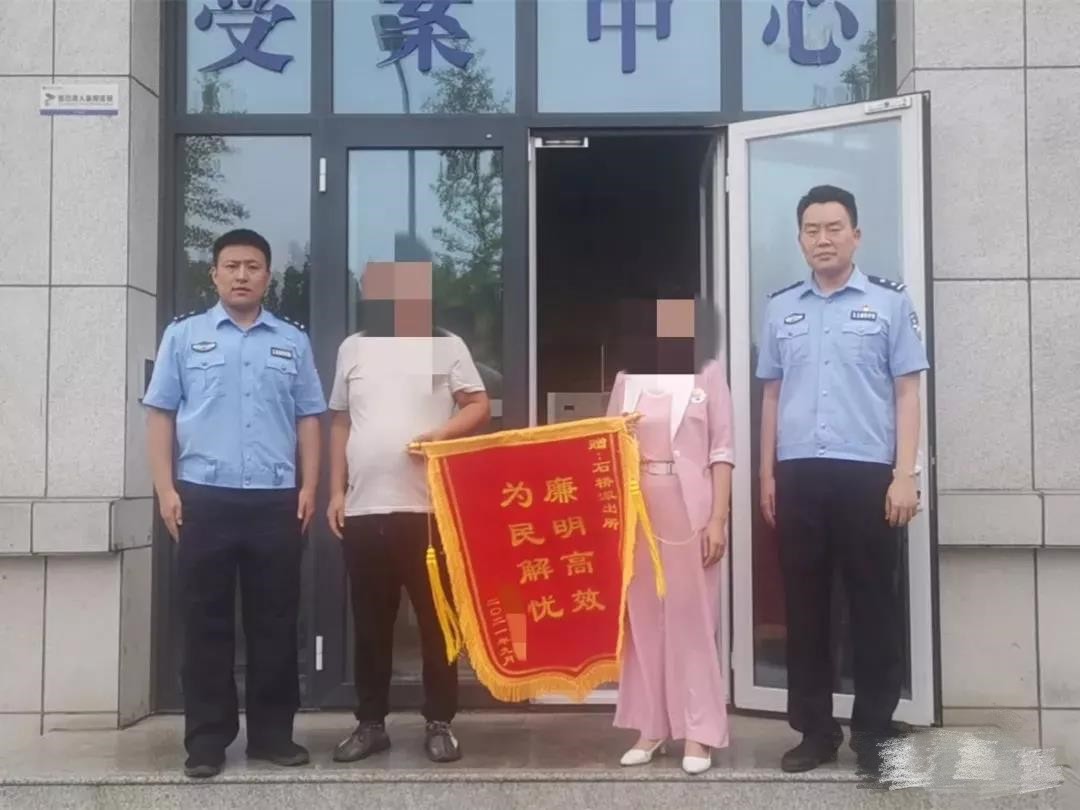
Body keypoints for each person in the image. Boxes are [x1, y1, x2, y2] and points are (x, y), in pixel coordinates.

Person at [756, 185, 929, 775]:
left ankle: (874, 732)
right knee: (805, 607)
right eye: (812, 230)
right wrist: (767, 472)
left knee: (873, 605)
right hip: (799, 474)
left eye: (834, 228)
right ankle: (815, 731)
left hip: (868, 475)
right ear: (800, 238)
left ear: (856, 235)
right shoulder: (781, 307)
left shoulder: (888, 303)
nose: (823, 239)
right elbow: (772, 394)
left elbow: (907, 392)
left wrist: (905, 474)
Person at [144, 228, 326, 779]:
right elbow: (160, 414)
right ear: (215, 274)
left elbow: (309, 417)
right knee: (205, 622)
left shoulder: (292, 342)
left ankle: (272, 736)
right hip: (204, 498)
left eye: (252, 266)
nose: (241, 275)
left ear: (267, 276)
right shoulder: (184, 336)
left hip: (275, 500)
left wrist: (310, 487)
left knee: (275, 621)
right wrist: (165, 489)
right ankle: (206, 740)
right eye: (231, 266)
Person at [327, 260, 490, 764]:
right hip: (364, 509)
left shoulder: (446, 345)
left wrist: (440, 435)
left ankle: (440, 722)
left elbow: (477, 404)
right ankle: (370, 724)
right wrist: (336, 490)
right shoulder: (353, 348)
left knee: (437, 623)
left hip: (427, 510)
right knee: (370, 625)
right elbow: (340, 422)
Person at [608, 297, 733, 776]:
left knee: (690, 618)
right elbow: (607, 447)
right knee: (643, 619)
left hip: (689, 509)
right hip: (638, 512)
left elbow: (722, 450)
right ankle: (651, 725)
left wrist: (718, 518)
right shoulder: (627, 380)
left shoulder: (709, 375)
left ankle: (699, 730)